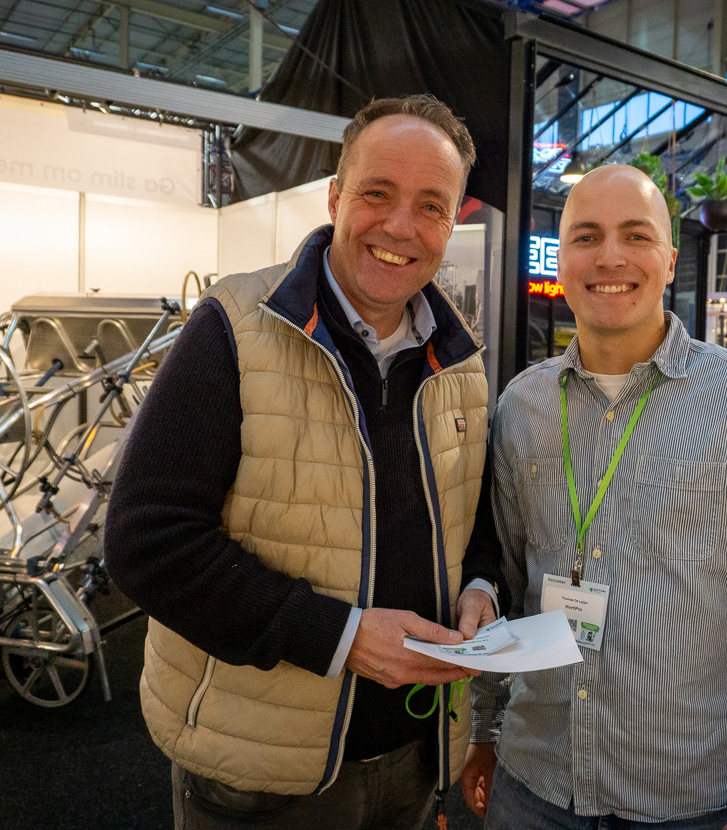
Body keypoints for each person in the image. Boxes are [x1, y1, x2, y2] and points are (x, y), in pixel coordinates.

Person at [104, 94, 502, 830]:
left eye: (430, 206)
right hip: (261, 777)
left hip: (417, 758)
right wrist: (340, 637)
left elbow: (470, 519)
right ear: (336, 197)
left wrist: (480, 585)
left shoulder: (461, 362)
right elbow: (146, 542)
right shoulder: (233, 328)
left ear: (452, 223)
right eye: (377, 194)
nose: (400, 227)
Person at [461, 165, 727, 830]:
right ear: (560, 260)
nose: (609, 257)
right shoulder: (522, 404)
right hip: (535, 781)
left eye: (636, 235)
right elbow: (505, 586)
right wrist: (484, 729)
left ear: (671, 260)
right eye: (586, 236)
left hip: (690, 801)